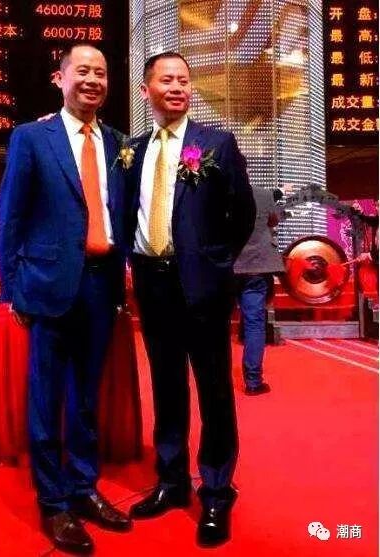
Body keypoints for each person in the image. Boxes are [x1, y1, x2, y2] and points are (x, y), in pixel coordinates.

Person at [0, 43, 131, 555]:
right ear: (60, 78)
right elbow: (11, 215)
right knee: (46, 397)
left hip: (101, 285)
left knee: (87, 397)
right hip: (46, 286)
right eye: (83, 71)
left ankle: (83, 487)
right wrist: (12, 288)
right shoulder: (32, 137)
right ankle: (53, 501)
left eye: (101, 73)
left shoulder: (118, 143)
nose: (93, 80)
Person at [126, 52, 256, 547]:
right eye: (167, 80)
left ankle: (217, 491)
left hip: (202, 286)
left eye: (184, 80)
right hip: (152, 284)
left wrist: (215, 261)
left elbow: (242, 213)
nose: (178, 87)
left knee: (214, 389)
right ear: (147, 89)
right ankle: (172, 481)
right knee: (166, 386)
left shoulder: (216, 144)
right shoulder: (133, 150)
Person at [233, 186, 285, 395]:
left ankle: (215, 382)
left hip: (226, 266)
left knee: (215, 324)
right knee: (254, 324)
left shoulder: (217, 193)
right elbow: (274, 221)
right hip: (256, 266)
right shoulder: (263, 194)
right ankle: (253, 382)